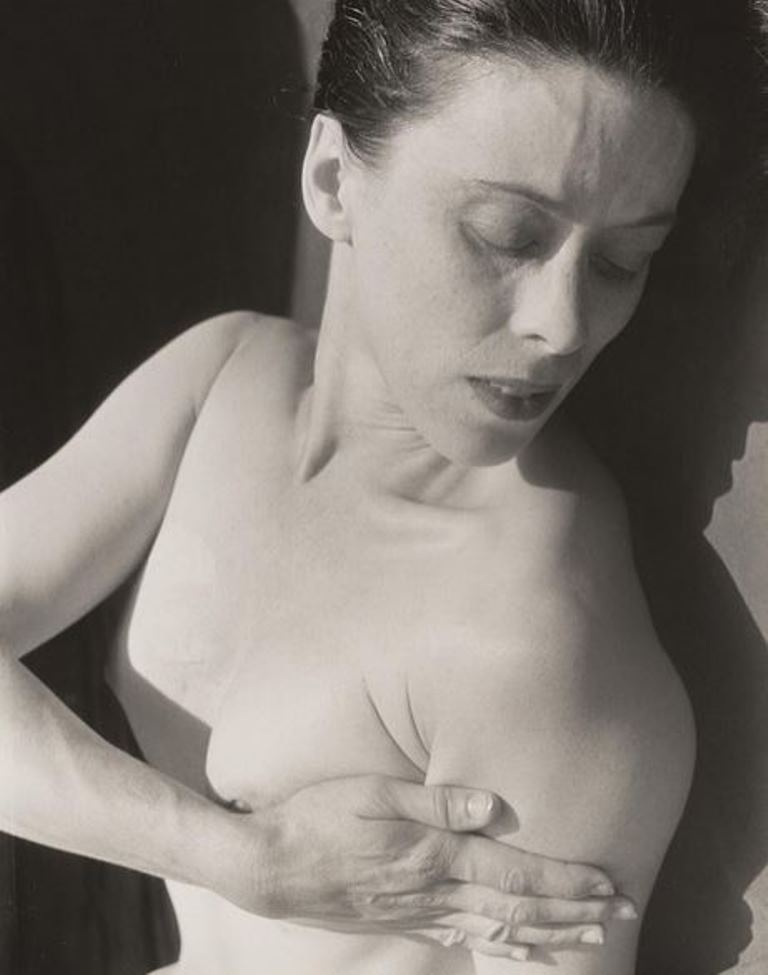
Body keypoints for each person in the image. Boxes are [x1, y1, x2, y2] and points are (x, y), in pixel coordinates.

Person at [0, 0, 763, 971]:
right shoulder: (223, 380)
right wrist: (244, 860)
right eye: (506, 234)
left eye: (622, 262)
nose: (565, 324)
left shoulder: (535, 632)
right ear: (332, 180)